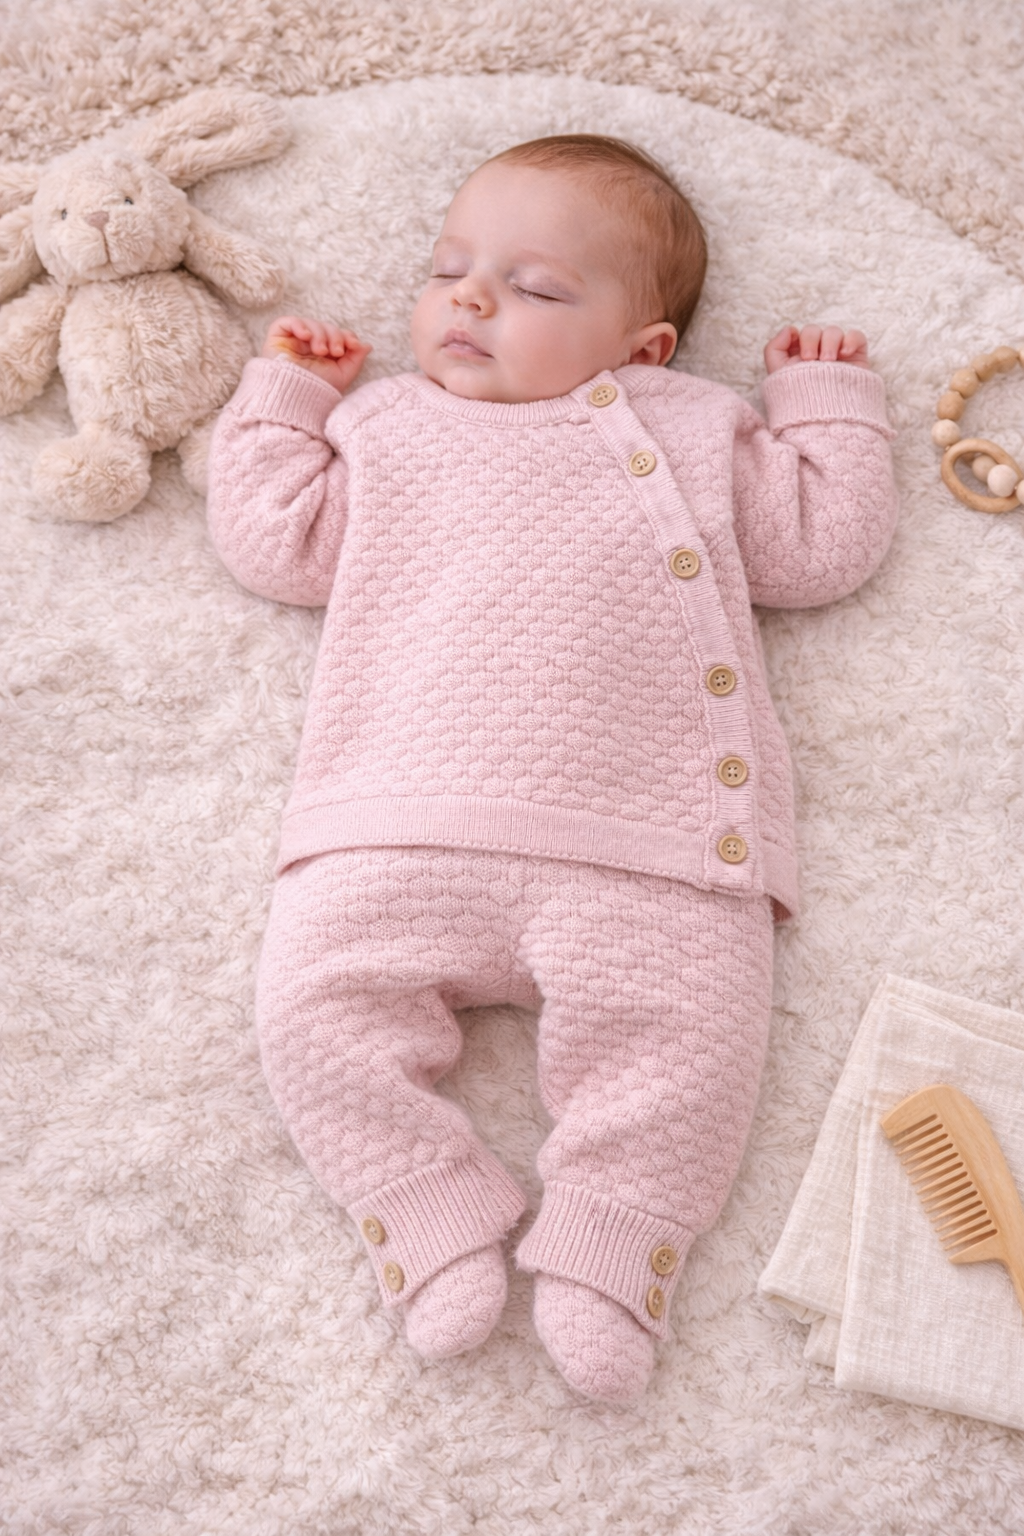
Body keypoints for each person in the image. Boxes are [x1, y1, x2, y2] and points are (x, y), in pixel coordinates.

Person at [205, 135, 897, 1403]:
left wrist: (824, 408)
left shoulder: (688, 427)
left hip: (649, 841)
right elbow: (274, 540)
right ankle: (421, 1205)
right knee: (312, 1011)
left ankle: (613, 1245)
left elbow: (818, 548)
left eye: (534, 288)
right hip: (397, 822)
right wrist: (286, 400)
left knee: (687, 1044)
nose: (469, 300)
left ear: (643, 352)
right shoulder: (388, 426)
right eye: (451, 268)